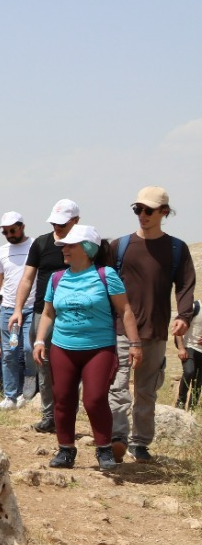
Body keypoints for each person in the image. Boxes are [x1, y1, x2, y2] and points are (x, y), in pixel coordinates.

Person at [34, 224, 142, 470]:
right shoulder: (56, 278)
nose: (64, 249)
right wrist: (40, 340)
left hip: (99, 348)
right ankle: (65, 450)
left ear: (87, 248)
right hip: (63, 347)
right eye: (63, 245)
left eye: (70, 245)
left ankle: (104, 449)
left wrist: (135, 344)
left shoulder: (106, 275)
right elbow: (48, 313)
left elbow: (125, 311)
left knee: (94, 399)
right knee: (62, 398)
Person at [105, 186, 197, 463]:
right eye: (137, 209)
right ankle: (117, 438)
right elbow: (104, 284)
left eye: (148, 210)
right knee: (117, 387)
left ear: (164, 212)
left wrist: (183, 316)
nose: (141, 215)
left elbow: (185, 285)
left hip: (156, 331)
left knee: (146, 391)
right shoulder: (119, 247)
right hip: (120, 329)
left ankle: (140, 443)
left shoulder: (176, 249)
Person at [12, 200, 80, 435]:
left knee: (73, 366)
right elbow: (28, 278)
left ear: (76, 221)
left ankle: (68, 416)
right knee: (44, 365)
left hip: (75, 312)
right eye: (54, 223)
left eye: (63, 224)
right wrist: (18, 309)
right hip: (44, 312)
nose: (57, 227)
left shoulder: (85, 243)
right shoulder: (41, 243)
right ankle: (49, 416)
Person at [0, 211, 33, 409]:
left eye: (12, 230)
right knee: (10, 352)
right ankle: (11, 396)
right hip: (8, 310)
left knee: (29, 350)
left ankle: (29, 390)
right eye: (5, 232)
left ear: (22, 227)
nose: (10, 235)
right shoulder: (1, 251)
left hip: (30, 309)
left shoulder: (34, 246)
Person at [177, 317, 202, 410]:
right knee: (189, 371)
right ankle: (180, 403)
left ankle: (192, 409)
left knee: (198, 382)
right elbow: (178, 328)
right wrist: (181, 348)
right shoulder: (194, 307)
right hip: (189, 347)